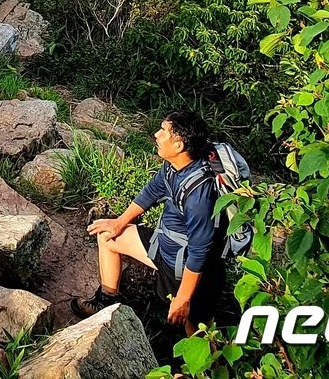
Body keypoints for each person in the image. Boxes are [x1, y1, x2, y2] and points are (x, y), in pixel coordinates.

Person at [71, 109, 227, 335]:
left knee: (197, 329)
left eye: (163, 132)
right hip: (164, 248)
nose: (156, 134)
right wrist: (119, 222)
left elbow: (199, 252)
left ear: (179, 146)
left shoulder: (199, 195)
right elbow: (153, 190)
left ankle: (206, 369)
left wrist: (183, 298)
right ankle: (106, 300)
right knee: (107, 236)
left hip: (186, 270)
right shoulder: (174, 166)